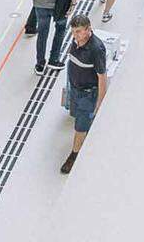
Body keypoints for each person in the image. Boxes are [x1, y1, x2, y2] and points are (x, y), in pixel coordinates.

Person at [59, 15, 107, 174]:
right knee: (78, 118)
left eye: (78, 32)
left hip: (88, 94)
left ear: (88, 29)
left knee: (80, 126)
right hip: (75, 89)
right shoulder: (75, 41)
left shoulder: (96, 49)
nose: (75, 35)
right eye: (73, 32)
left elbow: (102, 78)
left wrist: (100, 103)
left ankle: (74, 155)